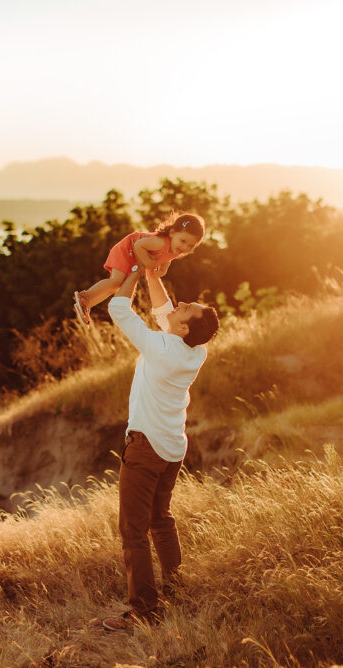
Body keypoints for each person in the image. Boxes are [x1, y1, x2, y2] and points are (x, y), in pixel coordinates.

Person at [100, 261, 220, 632]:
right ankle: (176, 589)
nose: (179, 304)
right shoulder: (194, 350)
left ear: (184, 327)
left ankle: (144, 611)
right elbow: (165, 313)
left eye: (186, 308)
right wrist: (154, 277)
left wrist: (132, 270)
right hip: (172, 449)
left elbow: (118, 309)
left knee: (133, 531)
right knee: (161, 521)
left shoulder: (161, 347)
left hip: (146, 446)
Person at [73, 213, 205, 325]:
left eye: (191, 245)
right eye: (183, 241)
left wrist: (164, 268)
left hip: (133, 256)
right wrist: (148, 262)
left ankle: (87, 304)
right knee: (116, 281)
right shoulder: (161, 242)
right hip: (126, 249)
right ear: (172, 233)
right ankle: (85, 296)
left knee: (118, 286)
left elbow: (167, 257)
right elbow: (139, 245)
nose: (185, 247)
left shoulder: (177, 249)